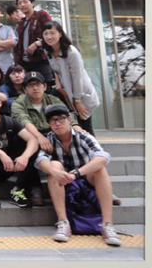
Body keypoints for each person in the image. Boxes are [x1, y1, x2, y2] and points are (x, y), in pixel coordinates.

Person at [36, 104, 121, 246]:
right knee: (54, 166)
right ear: (49, 124)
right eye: (53, 120)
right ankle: (63, 222)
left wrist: (76, 173)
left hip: (85, 180)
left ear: (69, 119)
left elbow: (103, 157)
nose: (57, 123)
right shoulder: (49, 139)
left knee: (100, 168)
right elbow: (40, 160)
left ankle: (107, 224)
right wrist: (55, 172)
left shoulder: (83, 136)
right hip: (63, 183)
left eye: (61, 119)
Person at [10, 71, 83, 206]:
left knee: (80, 139)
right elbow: (24, 121)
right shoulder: (19, 102)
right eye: (31, 85)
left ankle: (92, 183)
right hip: (31, 137)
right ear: (25, 89)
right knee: (27, 143)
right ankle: (35, 187)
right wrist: (39, 137)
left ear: (44, 86)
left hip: (54, 136)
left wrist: (80, 130)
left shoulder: (53, 100)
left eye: (38, 84)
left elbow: (67, 118)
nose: (35, 88)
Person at [42, 21, 99, 135]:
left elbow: (77, 78)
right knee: (72, 125)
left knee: (85, 125)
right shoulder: (47, 51)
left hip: (80, 92)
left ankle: (93, 146)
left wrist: (77, 100)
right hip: (65, 92)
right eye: (46, 33)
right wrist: (58, 84)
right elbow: (57, 71)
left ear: (60, 34)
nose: (49, 37)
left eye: (52, 33)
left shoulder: (71, 52)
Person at [15, 0, 54, 85]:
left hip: (41, 60)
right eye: (19, 3)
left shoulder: (41, 15)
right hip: (25, 63)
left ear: (33, 3)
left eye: (25, 2)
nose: (22, 5)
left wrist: (37, 43)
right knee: (29, 87)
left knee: (47, 86)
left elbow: (52, 33)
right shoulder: (21, 23)